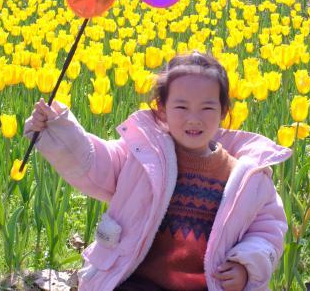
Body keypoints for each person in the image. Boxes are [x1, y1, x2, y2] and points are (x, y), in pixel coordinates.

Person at [24, 51, 291, 291]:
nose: (194, 118)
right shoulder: (142, 156)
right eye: (181, 107)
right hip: (136, 280)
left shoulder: (247, 177)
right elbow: (95, 162)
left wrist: (246, 265)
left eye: (207, 107)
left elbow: (268, 230)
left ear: (224, 111)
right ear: (162, 110)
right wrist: (57, 127)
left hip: (206, 284)